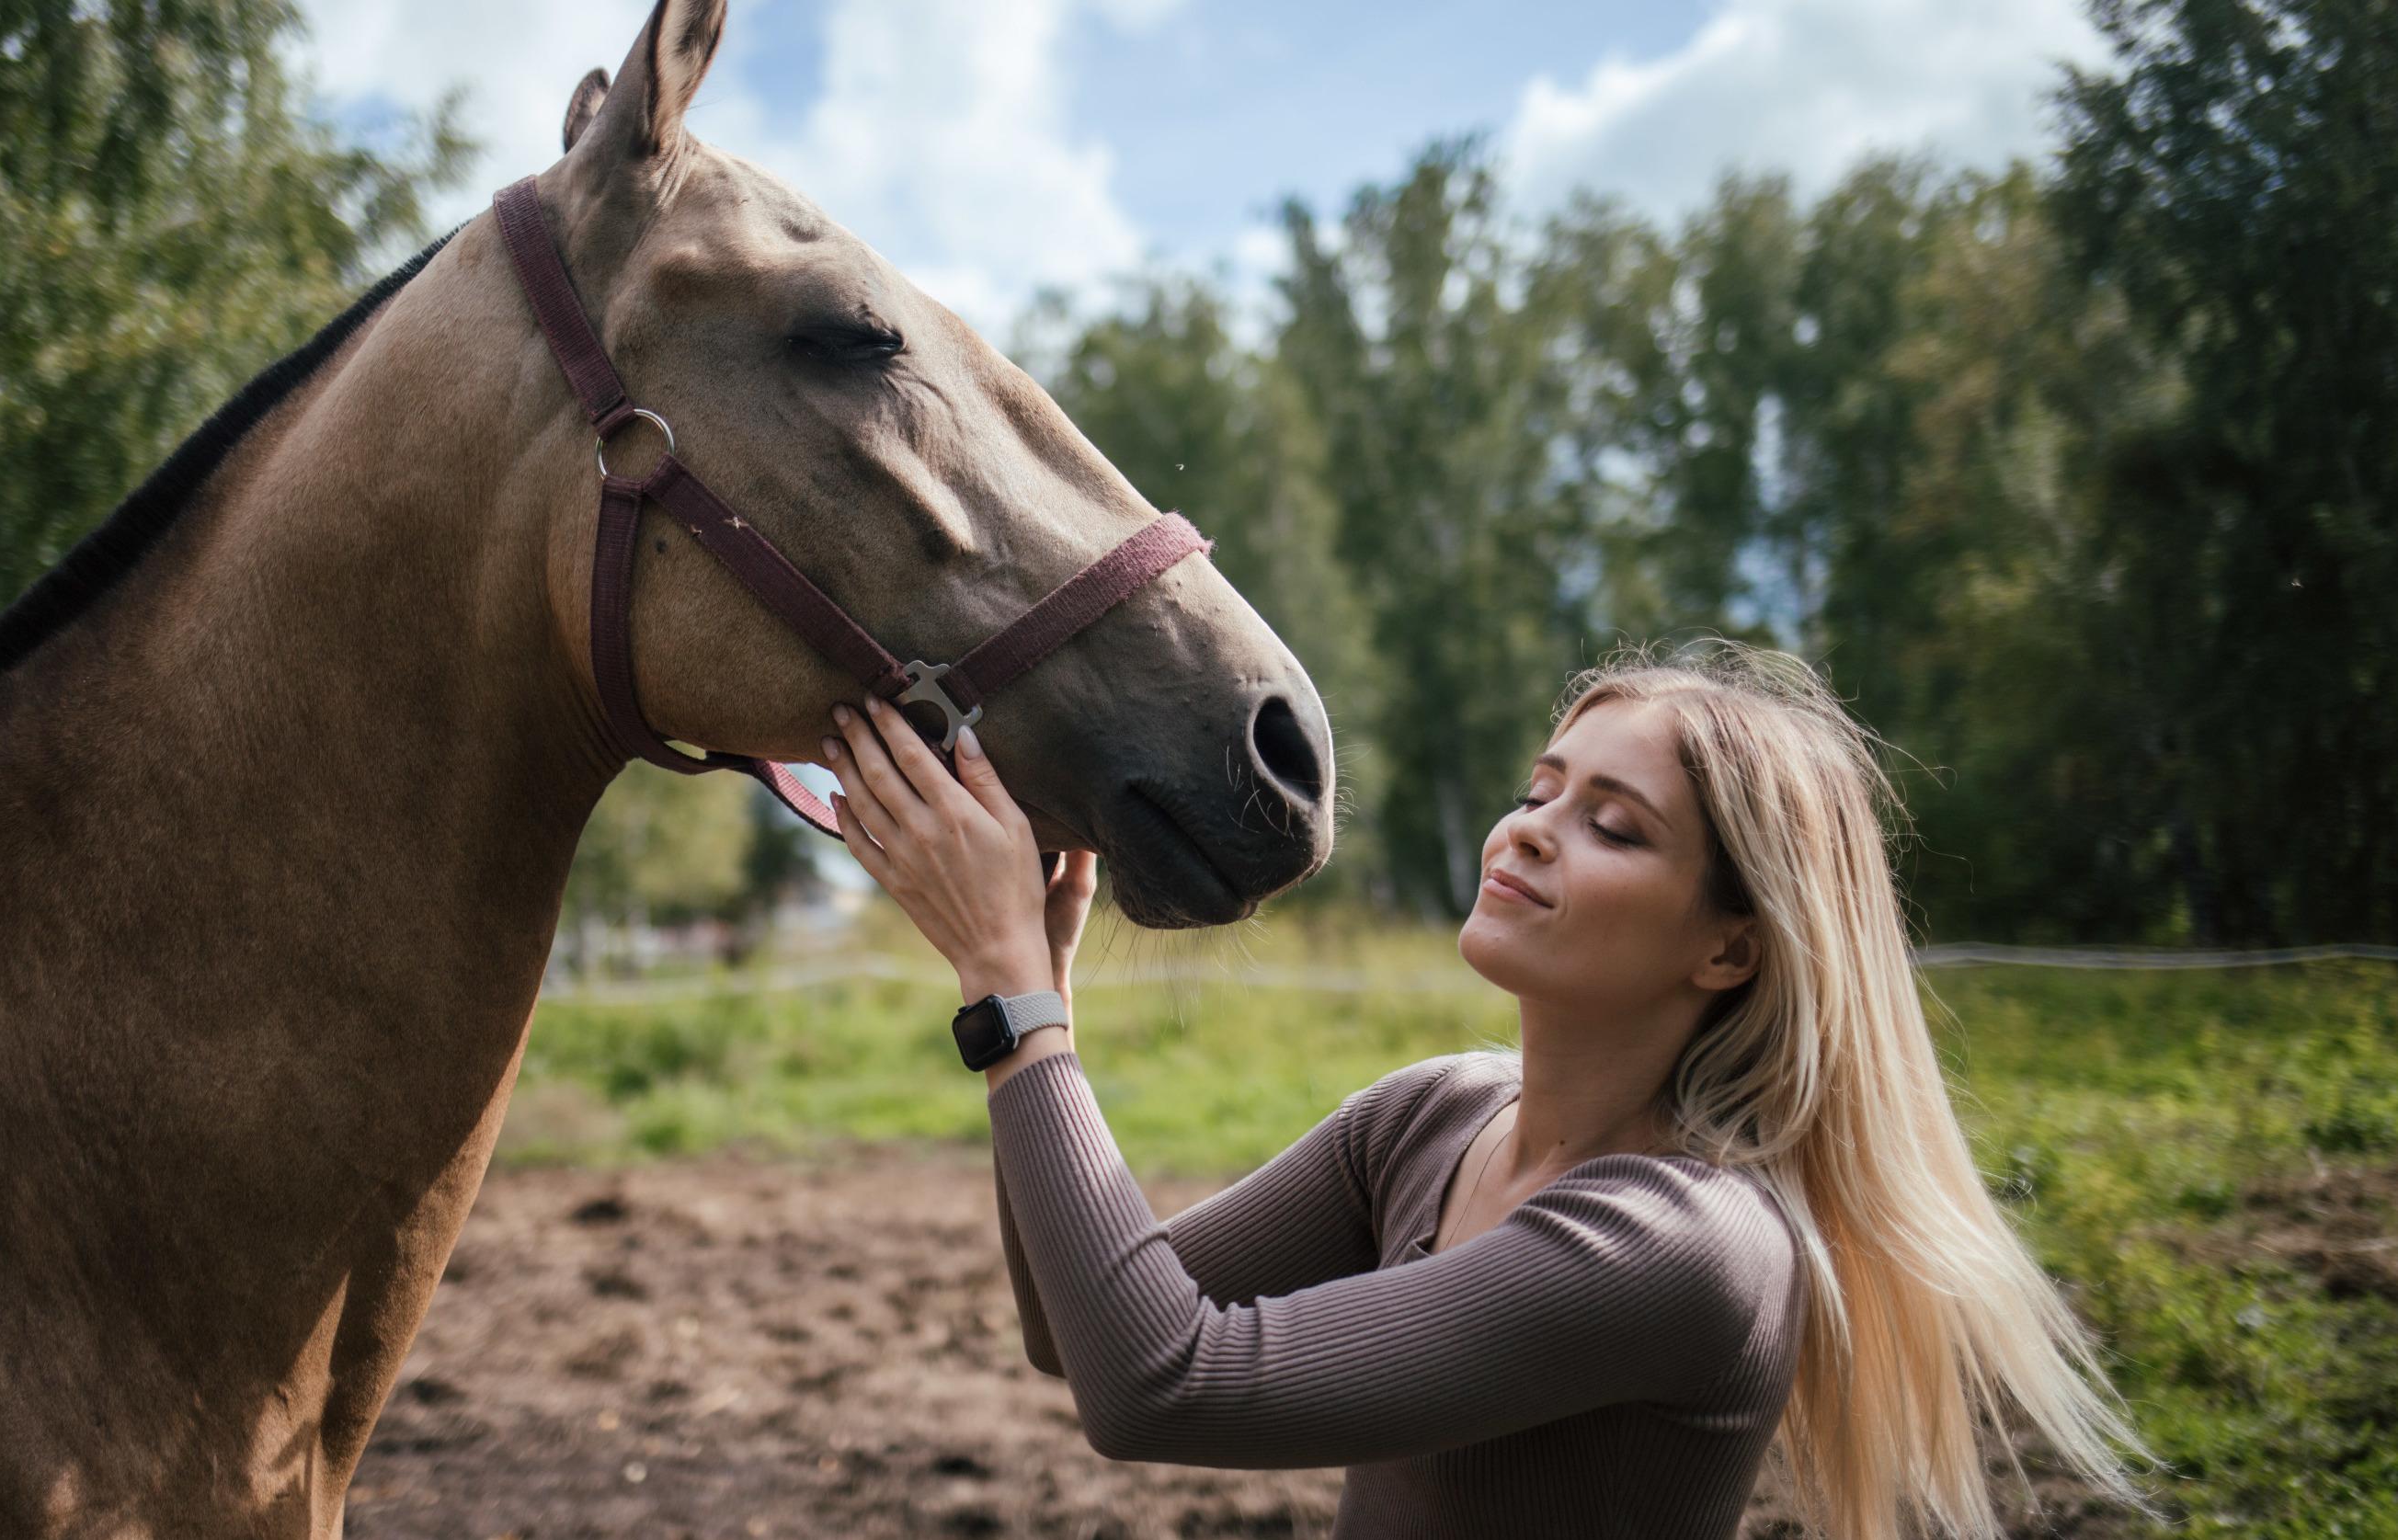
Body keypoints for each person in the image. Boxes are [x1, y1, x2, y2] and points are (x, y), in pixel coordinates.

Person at [818, 640, 2160, 1539]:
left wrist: (1014, 1001)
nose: (1528, 828)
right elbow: (1079, 1331)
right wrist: (1030, 978)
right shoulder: (1430, 1117)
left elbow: (1160, 1386)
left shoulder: (1679, 1248)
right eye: (1540, 789)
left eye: (1612, 824)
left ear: (1730, 947)